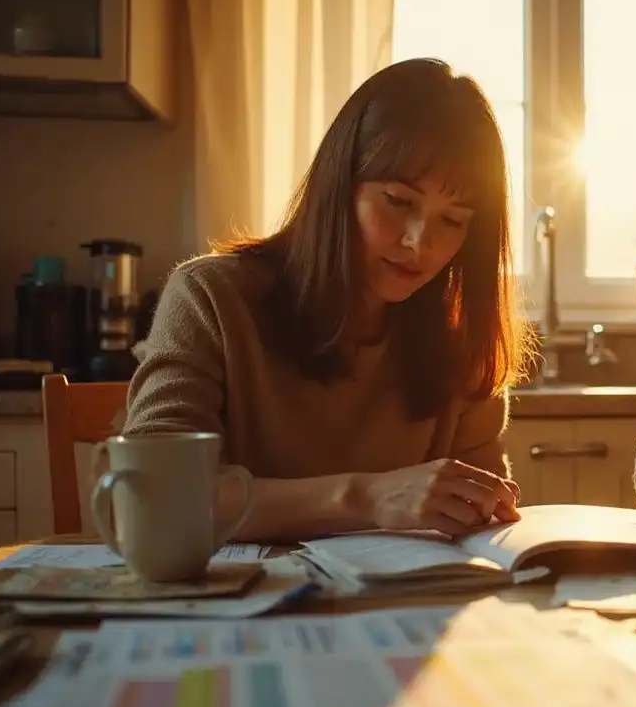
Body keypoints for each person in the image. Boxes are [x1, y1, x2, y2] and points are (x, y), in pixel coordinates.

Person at [121, 58, 531, 542]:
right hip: (234, 611)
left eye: (454, 220)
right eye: (398, 201)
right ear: (338, 186)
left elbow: (481, 516)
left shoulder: (459, 339)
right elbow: (153, 501)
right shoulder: (211, 299)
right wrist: (366, 497)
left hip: (394, 610)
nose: (420, 242)